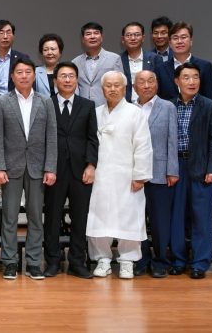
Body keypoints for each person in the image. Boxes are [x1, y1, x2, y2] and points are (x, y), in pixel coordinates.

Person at [0, 57, 57, 280]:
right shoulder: (2, 102)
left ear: (34, 75)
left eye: (28, 72)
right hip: (10, 168)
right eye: (19, 72)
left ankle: (33, 263)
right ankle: (10, 262)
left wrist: (50, 167)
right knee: (9, 217)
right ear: (12, 76)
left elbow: (51, 137)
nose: (24, 76)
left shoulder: (45, 102)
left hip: (38, 167)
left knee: (35, 217)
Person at [87, 72, 153, 279]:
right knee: (98, 216)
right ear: (102, 89)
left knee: (130, 216)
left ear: (125, 88)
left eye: (117, 85)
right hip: (100, 175)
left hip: (128, 175)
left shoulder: (135, 113)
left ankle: (127, 260)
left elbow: (143, 146)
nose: (113, 89)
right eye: (108, 85)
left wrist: (140, 175)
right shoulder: (95, 113)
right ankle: (102, 259)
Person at [43, 61, 98, 279]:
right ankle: (53, 261)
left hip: (80, 170)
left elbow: (92, 138)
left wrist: (91, 165)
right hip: (53, 171)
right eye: (63, 76)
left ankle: (77, 262)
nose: (67, 80)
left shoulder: (88, 105)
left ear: (77, 80)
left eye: (71, 76)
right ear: (55, 81)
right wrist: (46, 167)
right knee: (52, 218)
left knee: (80, 218)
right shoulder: (46, 104)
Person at [168, 63, 212, 279]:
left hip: (201, 166)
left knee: (201, 218)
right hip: (175, 167)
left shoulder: (209, 106)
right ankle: (178, 260)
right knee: (176, 216)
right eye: (186, 77)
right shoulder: (169, 105)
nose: (192, 82)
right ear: (177, 81)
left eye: (196, 77)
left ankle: (200, 263)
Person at [132, 70, 178, 278]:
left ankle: (160, 261)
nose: (146, 85)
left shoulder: (167, 107)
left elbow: (172, 140)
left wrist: (172, 170)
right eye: (141, 82)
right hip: (134, 174)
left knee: (160, 220)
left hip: (159, 173)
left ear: (157, 84)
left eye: (151, 81)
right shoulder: (129, 108)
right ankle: (141, 259)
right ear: (134, 86)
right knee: (137, 220)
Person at [154, 22, 212, 102]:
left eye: (183, 37)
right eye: (175, 38)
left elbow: (210, 99)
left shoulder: (205, 66)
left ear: (191, 41)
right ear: (170, 43)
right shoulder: (160, 69)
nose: (179, 41)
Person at [72, 22, 124, 104]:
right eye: (88, 34)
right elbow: (74, 88)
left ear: (101, 37)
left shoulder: (114, 59)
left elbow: (120, 85)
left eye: (96, 33)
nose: (92, 36)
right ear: (83, 39)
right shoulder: (75, 62)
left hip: (107, 107)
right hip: (83, 108)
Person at [0, 20, 30, 104]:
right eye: (1, 33)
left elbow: (29, 84)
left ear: (13, 36)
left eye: (8, 32)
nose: (5, 36)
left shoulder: (23, 59)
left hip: (18, 105)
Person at [119, 22, 160, 103]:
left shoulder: (154, 58)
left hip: (150, 104)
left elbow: (160, 85)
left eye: (137, 35)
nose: (133, 38)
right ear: (123, 39)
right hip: (126, 105)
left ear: (143, 38)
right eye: (128, 35)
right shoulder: (118, 60)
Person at [34, 33, 63, 98]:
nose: (49, 53)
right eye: (45, 50)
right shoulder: (35, 72)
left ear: (60, 52)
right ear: (41, 53)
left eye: (53, 49)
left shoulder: (68, 71)